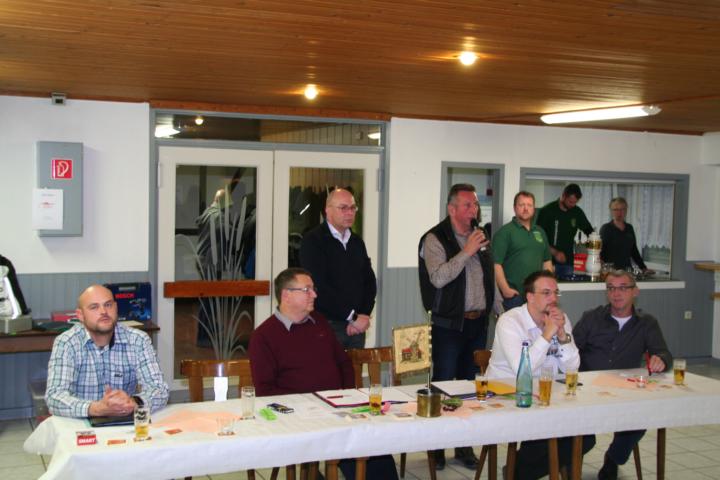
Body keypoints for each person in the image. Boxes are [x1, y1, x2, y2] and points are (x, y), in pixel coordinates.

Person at [249, 268, 398, 480]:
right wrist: (306, 407)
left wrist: (346, 397)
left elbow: (343, 364)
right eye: (307, 290)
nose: (314, 294)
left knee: (374, 447)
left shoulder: (318, 322)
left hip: (336, 408)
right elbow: (265, 391)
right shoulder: (263, 336)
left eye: (313, 289)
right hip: (300, 416)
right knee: (334, 445)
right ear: (286, 295)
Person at [487, 271, 594, 479]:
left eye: (556, 293)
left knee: (586, 436)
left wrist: (562, 336)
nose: (553, 298)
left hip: (545, 395)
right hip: (508, 394)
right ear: (530, 297)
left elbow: (573, 367)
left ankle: (516, 471)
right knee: (543, 432)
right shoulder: (510, 321)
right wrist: (547, 334)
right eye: (546, 293)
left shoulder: (560, 319)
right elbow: (523, 370)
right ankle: (519, 472)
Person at [418, 183, 496, 470]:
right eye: (467, 205)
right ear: (452, 209)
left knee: (468, 387)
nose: (473, 210)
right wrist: (467, 251)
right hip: (448, 326)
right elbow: (438, 278)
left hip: (477, 323)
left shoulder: (480, 236)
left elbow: (489, 276)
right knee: (443, 384)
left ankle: (463, 445)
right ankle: (436, 447)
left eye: (475, 204)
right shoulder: (434, 238)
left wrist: (500, 310)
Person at [574, 270, 671, 480]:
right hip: (588, 389)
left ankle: (613, 459)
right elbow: (570, 351)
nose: (616, 293)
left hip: (624, 389)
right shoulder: (591, 318)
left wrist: (661, 360)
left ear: (635, 291)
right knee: (580, 433)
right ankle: (569, 465)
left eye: (623, 288)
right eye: (611, 288)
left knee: (641, 417)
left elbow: (664, 353)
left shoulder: (646, 323)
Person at [45, 285, 168, 418]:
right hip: (80, 422)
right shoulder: (66, 342)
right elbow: (54, 396)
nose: (103, 311)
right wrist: (97, 409)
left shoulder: (138, 340)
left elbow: (159, 390)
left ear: (116, 307)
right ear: (80, 315)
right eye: (94, 307)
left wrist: (132, 403)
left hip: (124, 419)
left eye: (108, 305)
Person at [299, 187, 377, 349]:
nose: (350, 213)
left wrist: (363, 315)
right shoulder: (313, 241)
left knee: (354, 367)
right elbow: (318, 286)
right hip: (327, 324)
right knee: (326, 366)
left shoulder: (356, 242)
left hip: (357, 327)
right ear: (328, 210)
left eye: (353, 208)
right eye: (343, 208)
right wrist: (352, 317)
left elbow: (369, 281)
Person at [492, 191, 553, 310]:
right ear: (515, 208)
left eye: (529, 205)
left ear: (534, 209)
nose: (526, 208)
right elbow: (496, 264)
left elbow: (547, 261)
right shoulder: (504, 233)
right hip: (514, 296)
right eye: (521, 205)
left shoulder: (540, 232)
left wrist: (549, 287)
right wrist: (505, 289)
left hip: (537, 295)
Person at [536, 183, 594, 277]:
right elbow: (537, 237)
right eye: (570, 202)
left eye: (575, 202)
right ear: (563, 196)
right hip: (546, 261)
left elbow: (589, 232)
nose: (573, 205)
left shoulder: (577, 212)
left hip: (567, 263)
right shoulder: (547, 211)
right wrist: (555, 253)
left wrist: (595, 251)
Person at [600, 197, 654, 274]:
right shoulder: (606, 228)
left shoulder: (629, 228)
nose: (619, 212)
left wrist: (644, 268)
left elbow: (634, 251)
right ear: (611, 211)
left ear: (626, 210)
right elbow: (600, 252)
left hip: (627, 272)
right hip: (612, 272)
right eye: (615, 209)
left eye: (622, 209)